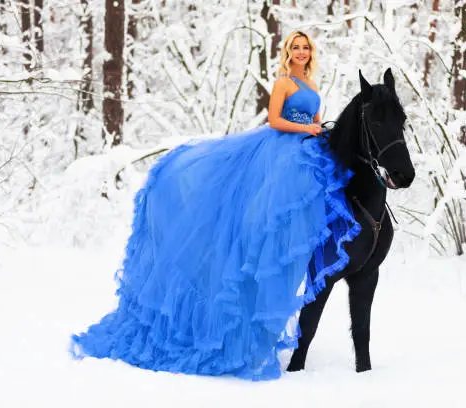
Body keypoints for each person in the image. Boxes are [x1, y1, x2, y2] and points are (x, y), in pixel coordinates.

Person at [70, 30, 361, 381]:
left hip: (304, 152)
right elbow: (274, 121)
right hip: (279, 149)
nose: (300, 52)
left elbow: (315, 121)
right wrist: (307, 131)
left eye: (305, 48)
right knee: (262, 213)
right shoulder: (284, 82)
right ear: (288, 52)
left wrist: (317, 131)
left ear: (310, 52)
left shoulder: (312, 84)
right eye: (295, 47)